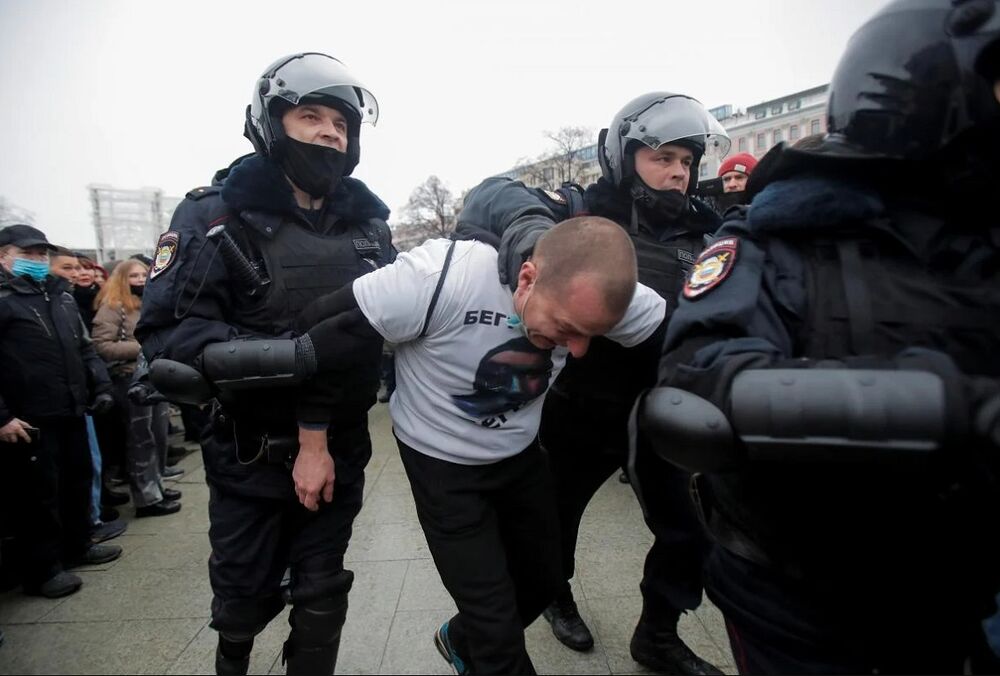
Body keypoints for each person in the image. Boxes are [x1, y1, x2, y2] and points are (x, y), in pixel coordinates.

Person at [648, 1, 1000, 671]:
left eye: (686, 161)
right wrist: (951, 407)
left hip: (959, 593)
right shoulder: (772, 239)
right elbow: (696, 387)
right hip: (796, 598)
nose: (683, 174)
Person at [292, 215, 666, 674]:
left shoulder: (605, 296)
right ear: (527, 277)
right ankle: (484, 644)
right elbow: (316, 334)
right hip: (441, 466)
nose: (579, 349)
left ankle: (461, 640)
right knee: (496, 628)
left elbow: (685, 342)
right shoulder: (438, 277)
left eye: (591, 334)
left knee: (545, 578)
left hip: (521, 457)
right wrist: (313, 442)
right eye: (567, 328)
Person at [135, 52, 394, 675]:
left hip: (343, 442)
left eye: (342, 124)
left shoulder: (370, 229)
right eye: (312, 117)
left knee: (323, 591)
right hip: (248, 451)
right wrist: (297, 355)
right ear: (271, 124)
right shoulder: (212, 216)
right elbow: (170, 336)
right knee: (243, 597)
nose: (331, 133)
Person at [456, 91, 728, 675]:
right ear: (624, 157)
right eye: (663, 158)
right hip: (579, 411)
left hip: (661, 416)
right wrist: (534, 233)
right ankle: (557, 595)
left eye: (686, 161)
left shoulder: (708, 234)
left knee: (690, 536)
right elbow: (490, 194)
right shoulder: (580, 210)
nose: (678, 173)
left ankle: (657, 633)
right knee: (551, 530)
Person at [0, 224, 121, 599]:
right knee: (38, 495)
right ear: (4, 256)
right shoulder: (5, 299)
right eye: (27, 254)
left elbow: (84, 348)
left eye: (41, 255)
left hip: (71, 408)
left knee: (77, 478)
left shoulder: (60, 296)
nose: (37, 261)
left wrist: (99, 385)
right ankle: (43, 568)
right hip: (28, 416)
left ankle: (78, 544)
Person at [93, 259, 181, 517]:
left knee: (158, 436)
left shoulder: (147, 304)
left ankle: (157, 486)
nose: (141, 279)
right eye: (134, 275)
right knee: (141, 440)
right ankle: (146, 497)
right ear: (122, 278)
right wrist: (144, 347)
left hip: (155, 377)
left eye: (144, 274)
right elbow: (102, 346)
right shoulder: (112, 307)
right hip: (130, 379)